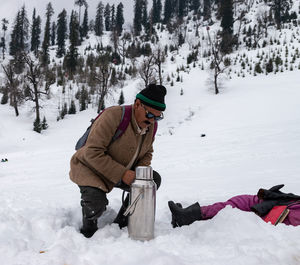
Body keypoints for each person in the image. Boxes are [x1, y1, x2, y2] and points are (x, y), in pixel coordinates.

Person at [70, 84, 167, 238]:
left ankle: (122, 222)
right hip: (90, 168)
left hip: (122, 171)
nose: (152, 121)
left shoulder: (150, 127)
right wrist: (122, 173)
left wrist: (139, 173)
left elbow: (147, 152)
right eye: (150, 115)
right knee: (96, 204)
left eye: (157, 117)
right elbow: (92, 152)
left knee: (151, 181)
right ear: (137, 104)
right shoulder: (113, 116)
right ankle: (88, 230)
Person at [168, 184, 300, 228]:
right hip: (284, 203)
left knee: (233, 210)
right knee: (239, 201)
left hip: (280, 212)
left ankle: (188, 217)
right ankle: (190, 214)